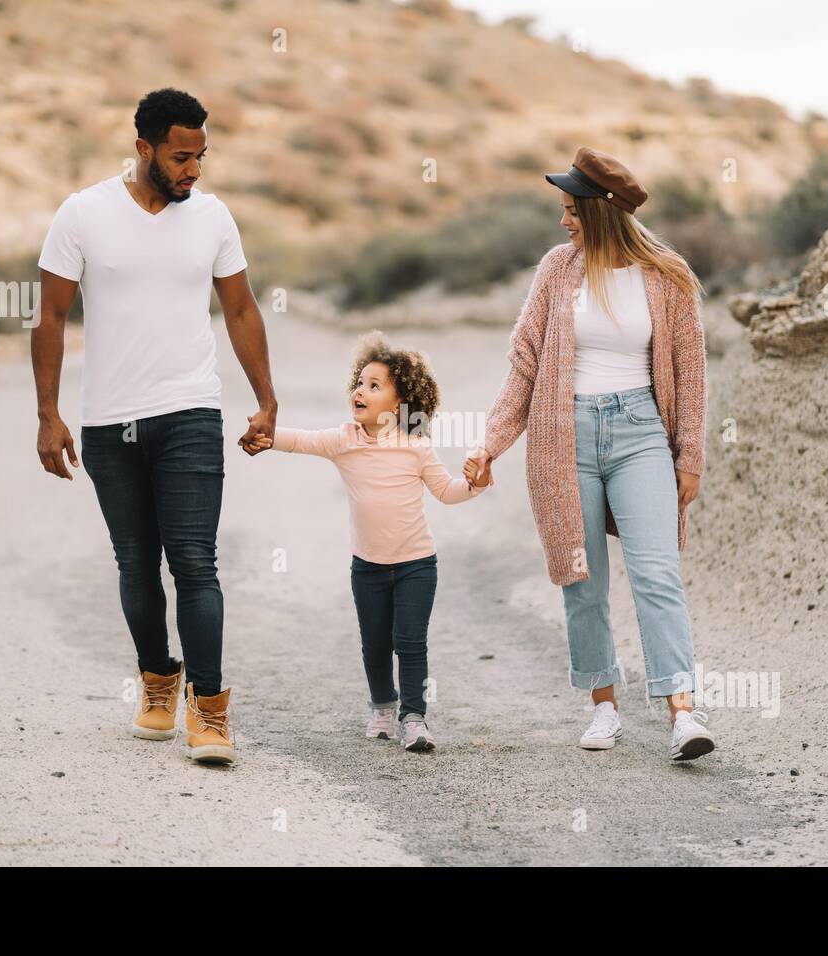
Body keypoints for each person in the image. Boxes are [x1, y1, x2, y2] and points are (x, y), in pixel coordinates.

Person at [32, 88, 277, 765]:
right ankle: (156, 676)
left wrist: (266, 398)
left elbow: (241, 310)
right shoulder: (82, 213)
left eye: (201, 156)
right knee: (136, 563)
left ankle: (210, 708)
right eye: (180, 157)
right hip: (110, 420)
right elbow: (49, 316)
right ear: (143, 149)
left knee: (195, 562)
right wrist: (48, 415)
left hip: (192, 410)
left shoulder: (214, 217)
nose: (193, 171)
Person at [463, 146, 716, 761]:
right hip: (564, 436)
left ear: (601, 211)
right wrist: (492, 441)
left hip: (640, 433)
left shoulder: (667, 277)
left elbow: (690, 369)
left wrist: (690, 456)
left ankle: (683, 711)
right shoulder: (556, 271)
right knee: (582, 578)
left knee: (657, 573)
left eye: (571, 209)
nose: (563, 221)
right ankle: (604, 707)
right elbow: (525, 360)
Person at [243, 331, 491, 752]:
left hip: (417, 564)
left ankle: (414, 718)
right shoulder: (344, 440)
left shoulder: (416, 446)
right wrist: (263, 435)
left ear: (399, 403)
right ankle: (381, 705)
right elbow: (299, 439)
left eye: (374, 386)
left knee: (410, 642)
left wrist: (476, 484)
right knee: (375, 642)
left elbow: (448, 492)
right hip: (368, 567)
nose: (361, 391)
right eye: (360, 383)